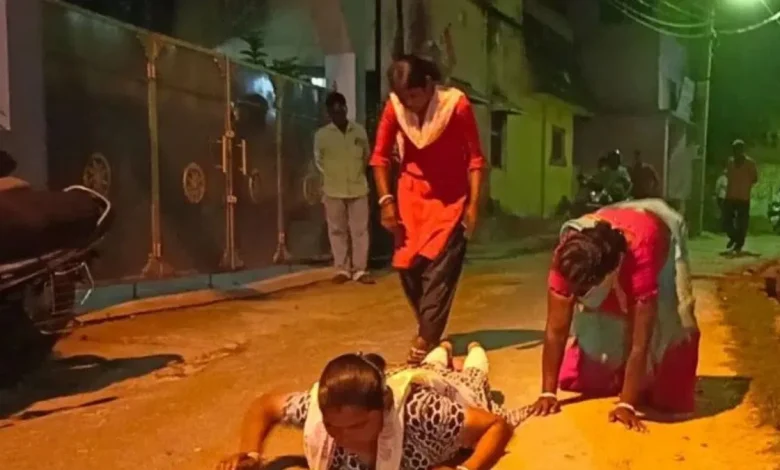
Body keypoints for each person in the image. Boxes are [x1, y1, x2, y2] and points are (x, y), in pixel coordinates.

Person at [217, 342, 528, 470]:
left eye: (358, 426)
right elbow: (266, 406)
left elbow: (496, 426)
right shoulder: (318, 409)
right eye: (333, 427)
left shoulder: (423, 412)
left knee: (475, 375)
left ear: (383, 410)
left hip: (451, 391)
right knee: (432, 362)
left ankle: (472, 347)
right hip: (406, 377)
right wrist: (252, 454)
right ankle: (442, 347)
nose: (343, 437)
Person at [530, 199, 700, 432]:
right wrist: (547, 392)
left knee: (676, 322)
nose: (574, 297)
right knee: (597, 345)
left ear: (610, 273)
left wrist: (626, 404)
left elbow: (640, 341)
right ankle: (631, 379)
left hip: (662, 227)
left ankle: (650, 384)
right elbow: (555, 329)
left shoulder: (643, 255)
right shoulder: (568, 253)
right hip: (614, 221)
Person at [370, 55, 486, 364]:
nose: (409, 103)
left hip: (450, 201)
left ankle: (426, 338)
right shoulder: (394, 108)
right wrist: (386, 201)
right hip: (410, 199)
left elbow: (475, 159)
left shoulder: (455, 106)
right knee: (408, 268)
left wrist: (473, 205)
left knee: (440, 272)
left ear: (429, 85)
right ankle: (432, 330)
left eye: (414, 95)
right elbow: (379, 157)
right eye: (402, 96)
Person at [314, 92, 374, 284]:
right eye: (334, 111)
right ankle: (342, 269)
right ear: (329, 113)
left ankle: (360, 270)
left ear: (346, 109)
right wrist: (333, 175)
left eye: (341, 109)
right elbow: (318, 161)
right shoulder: (322, 136)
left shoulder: (359, 132)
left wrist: (357, 172)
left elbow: (367, 156)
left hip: (358, 188)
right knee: (337, 230)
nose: (338, 114)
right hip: (333, 189)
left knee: (360, 230)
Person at [723, 139, 758, 254]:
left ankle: (739, 243)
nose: (736, 151)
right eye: (735, 149)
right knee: (727, 219)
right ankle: (734, 237)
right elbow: (727, 175)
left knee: (742, 223)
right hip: (730, 195)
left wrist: (745, 184)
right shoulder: (730, 162)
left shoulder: (750, 163)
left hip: (743, 196)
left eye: (739, 149)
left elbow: (755, 178)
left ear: (742, 150)